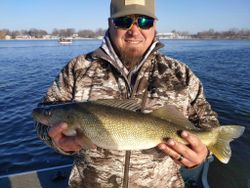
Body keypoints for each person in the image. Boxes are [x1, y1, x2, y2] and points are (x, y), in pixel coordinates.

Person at [35, 0, 219, 187]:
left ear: (154, 25)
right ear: (110, 24)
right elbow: (41, 117)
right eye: (124, 21)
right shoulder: (77, 69)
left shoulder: (180, 74)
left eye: (144, 21)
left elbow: (207, 122)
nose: (134, 30)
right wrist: (58, 141)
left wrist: (203, 153)